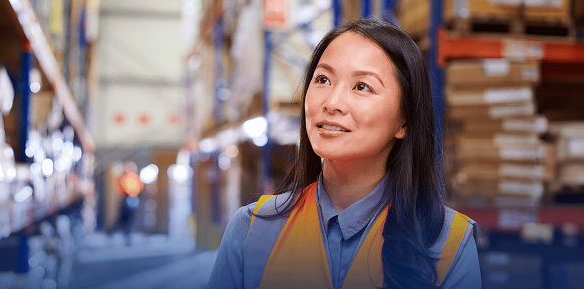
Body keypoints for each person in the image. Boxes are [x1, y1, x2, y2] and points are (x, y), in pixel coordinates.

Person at [208, 19, 481, 288]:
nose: (332, 102)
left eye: (362, 86)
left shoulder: (448, 243)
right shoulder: (250, 231)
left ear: (404, 120)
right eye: (323, 79)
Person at [116, 162, 142, 246]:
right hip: (126, 198)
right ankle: (119, 232)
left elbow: (139, 187)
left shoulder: (135, 178)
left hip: (133, 199)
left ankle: (127, 234)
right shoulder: (125, 178)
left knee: (130, 218)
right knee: (124, 218)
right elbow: (121, 188)